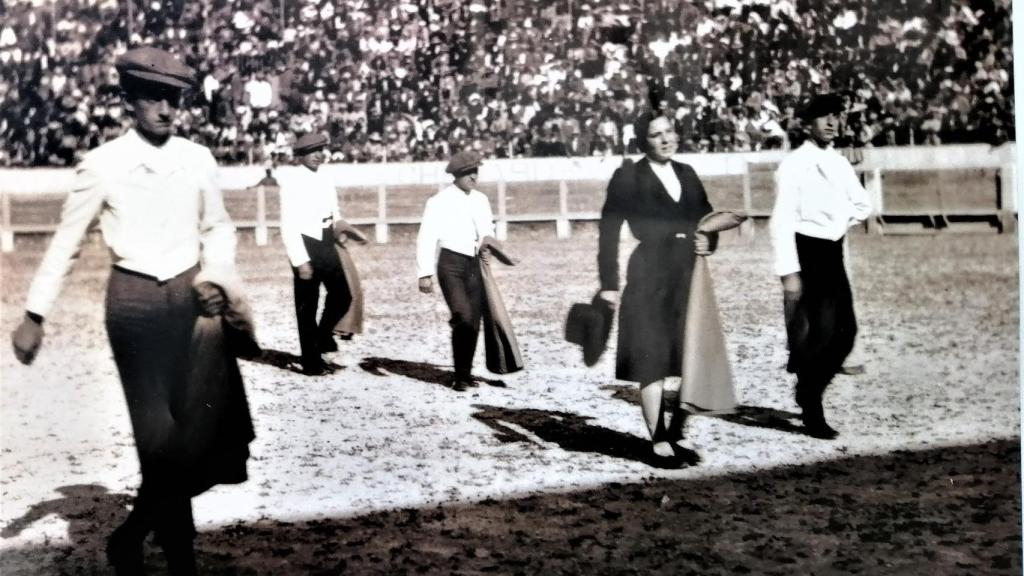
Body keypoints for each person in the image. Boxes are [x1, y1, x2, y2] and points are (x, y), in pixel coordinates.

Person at [9, 47, 255, 575]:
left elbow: (218, 228)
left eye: (174, 98)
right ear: (129, 101)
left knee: (201, 434)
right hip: (134, 305)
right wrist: (35, 312)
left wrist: (215, 277)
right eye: (154, 97)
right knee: (157, 438)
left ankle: (132, 534)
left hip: (195, 302)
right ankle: (181, 558)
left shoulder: (198, 159)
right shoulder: (102, 165)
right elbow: (66, 242)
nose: (166, 109)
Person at [597, 111, 716, 467]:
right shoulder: (628, 176)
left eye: (670, 132)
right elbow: (608, 231)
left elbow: (707, 220)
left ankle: (677, 428)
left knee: (689, 354)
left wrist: (709, 241)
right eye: (656, 135)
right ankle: (658, 439)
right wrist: (608, 284)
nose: (666, 139)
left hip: (688, 273)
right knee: (651, 355)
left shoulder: (687, 174)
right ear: (642, 141)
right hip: (649, 272)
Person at [769, 93, 873, 440]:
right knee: (821, 332)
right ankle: (812, 407)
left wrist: (839, 221)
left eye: (836, 116)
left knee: (847, 333)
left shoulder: (840, 163)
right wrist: (789, 272)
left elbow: (863, 205)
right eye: (823, 117)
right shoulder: (795, 164)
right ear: (806, 124)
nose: (831, 122)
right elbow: (781, 221)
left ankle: (807, 388)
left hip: (833, 250)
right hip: (806, 250)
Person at [416, 150, 504, 391]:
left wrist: (491, 244)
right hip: (450, 264)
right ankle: (459, 374)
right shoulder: (438, 201)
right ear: (456, 175)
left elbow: (488, 230)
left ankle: (463, 375)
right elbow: (426, 238)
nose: (474, 177)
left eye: (476, 171)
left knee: (474, 322)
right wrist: (424, 272)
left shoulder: (481, 200)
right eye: (468, 173)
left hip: (475, 266)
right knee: (463, 316)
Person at [277, 132, 353, 376]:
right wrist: (300, 260)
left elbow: (335, 211)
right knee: (307, 306)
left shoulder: (326, 177)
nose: (318, 155)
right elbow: (288, 224)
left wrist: (341, 228)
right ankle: (311, 362)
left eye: (321, 150)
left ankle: (320, 339)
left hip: (326, 241)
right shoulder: (291, 180)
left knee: (343, 296)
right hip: (305, 244)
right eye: (312, 151)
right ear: (300, 156)